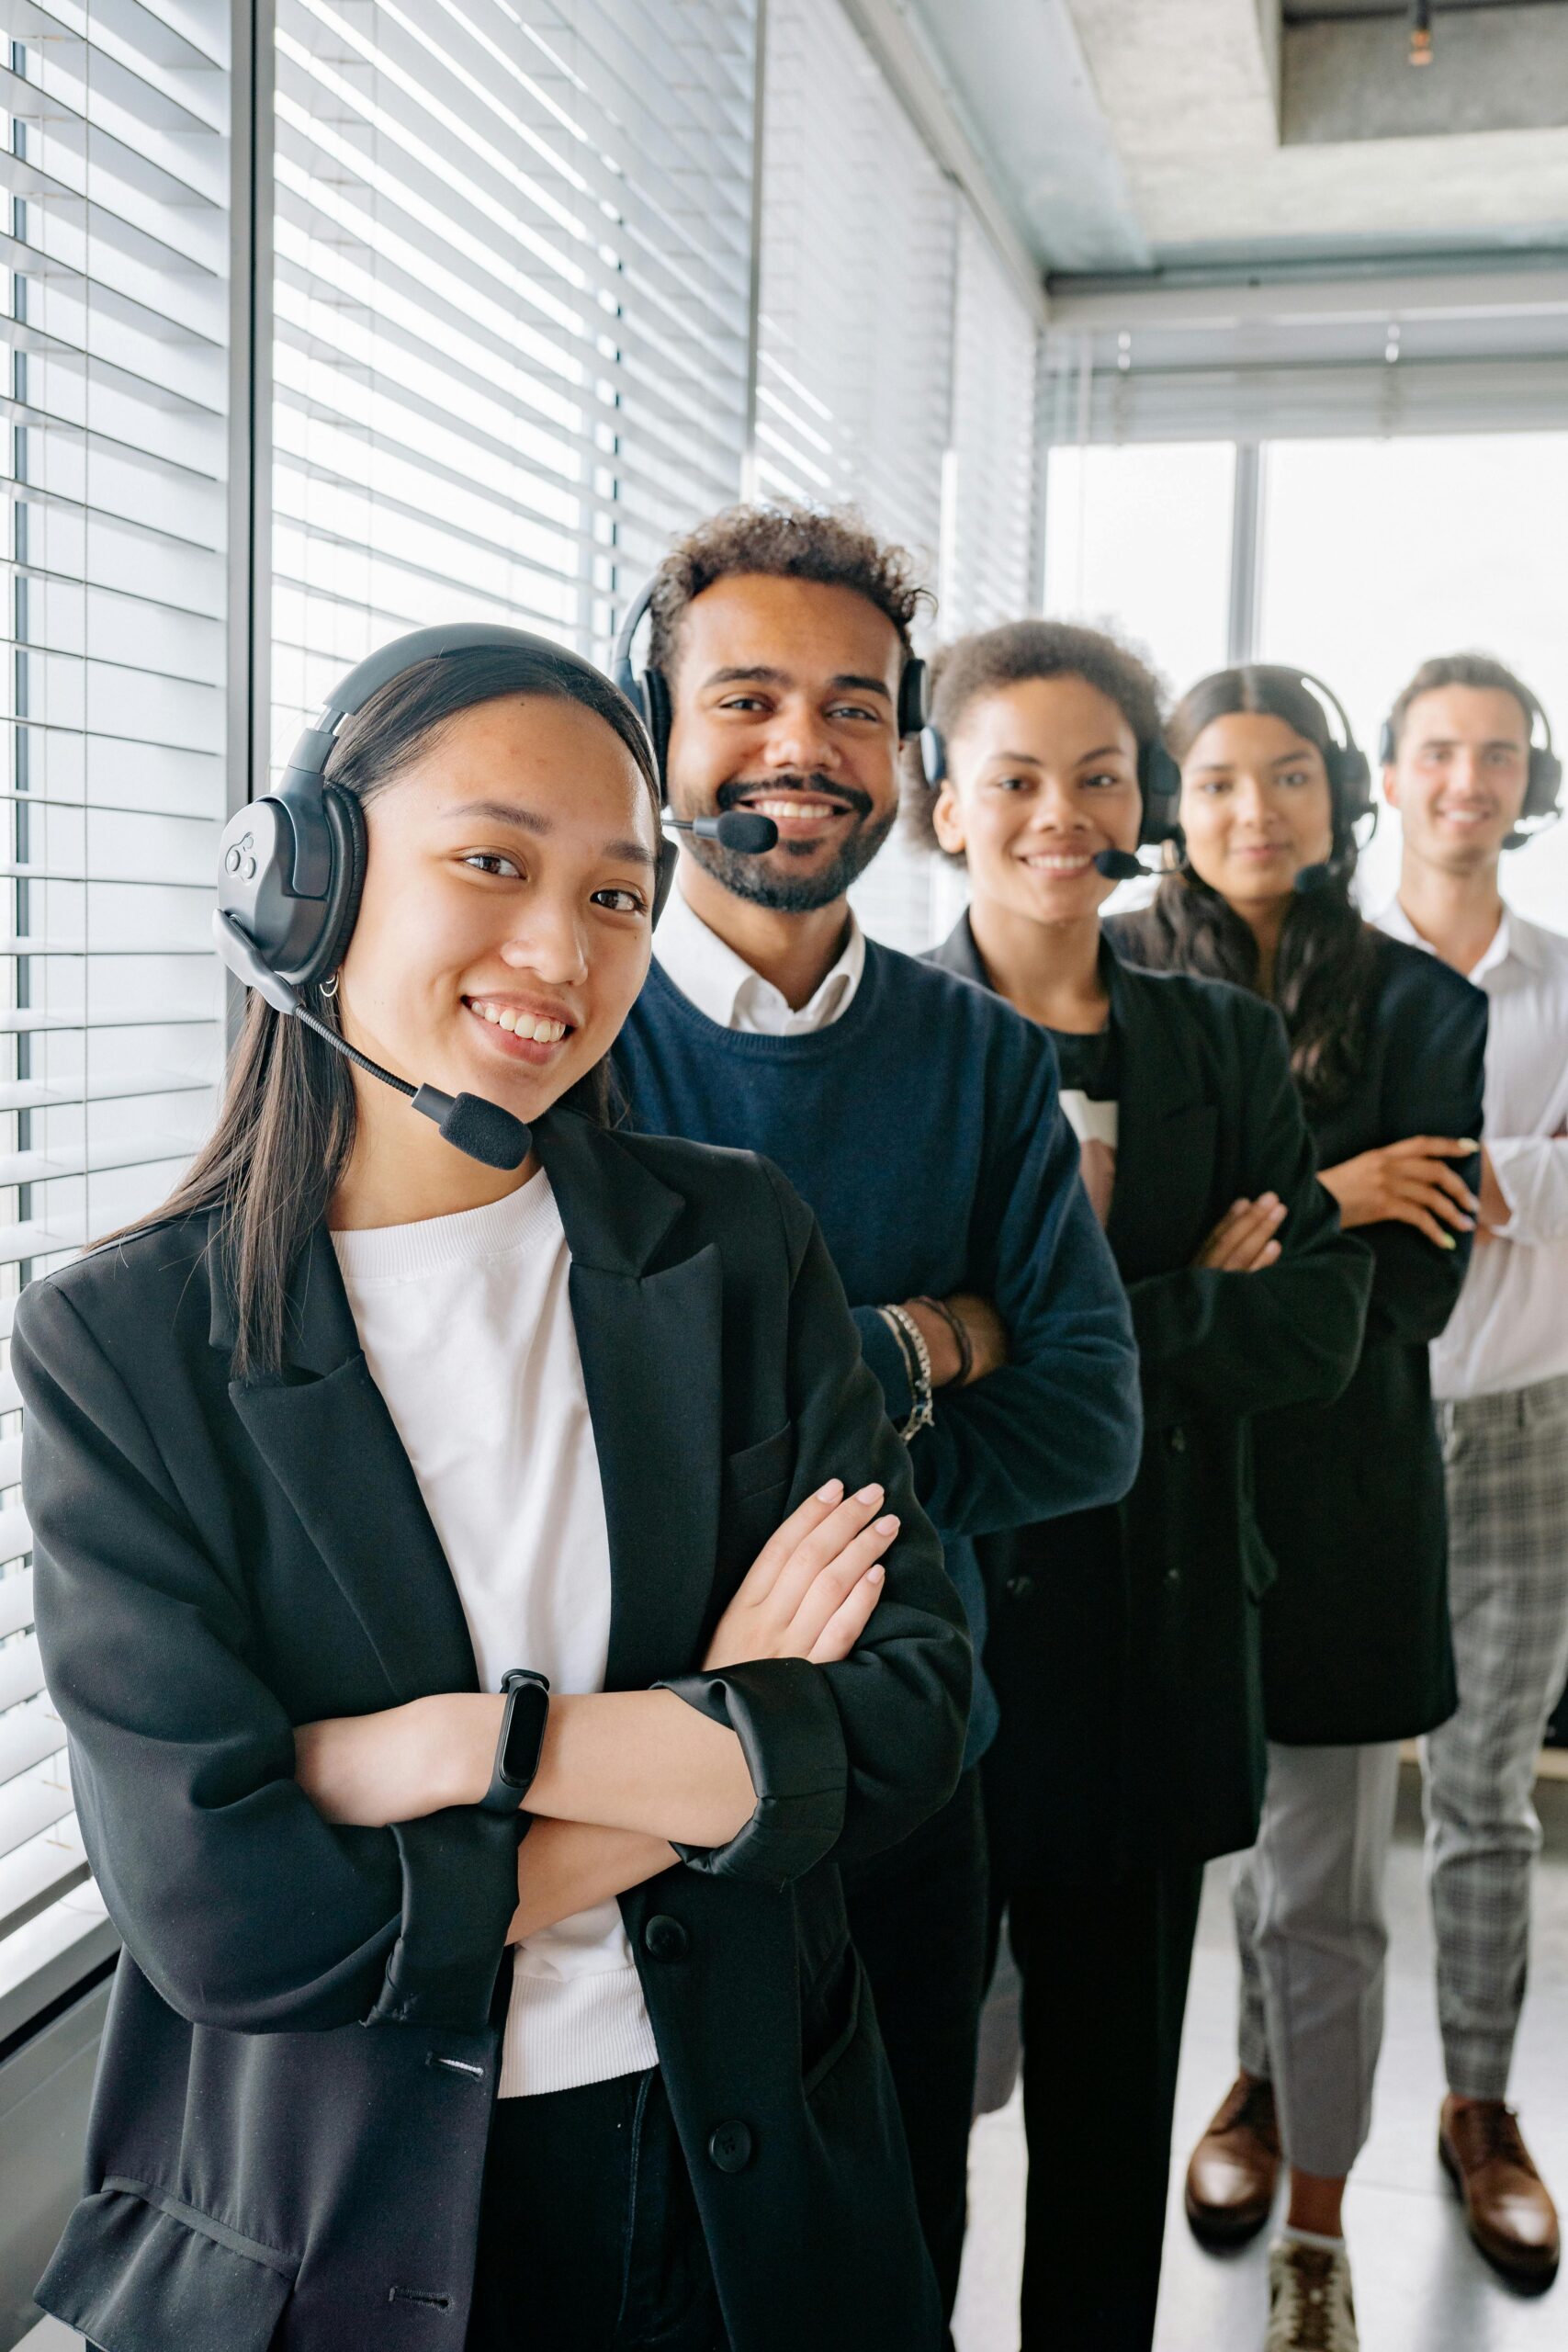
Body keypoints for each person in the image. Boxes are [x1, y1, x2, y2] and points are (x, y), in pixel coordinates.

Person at [17, 629, 974, 2352]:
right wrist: (724, 1732)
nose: (563, 946)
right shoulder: (124, 1345)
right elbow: (230, 1917)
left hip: (737, 2191)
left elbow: (910, 1709)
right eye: (492, 862)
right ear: (307, 887)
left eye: (618, 896)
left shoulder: (734, 1243)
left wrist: (462, 1748)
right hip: (347, 2230)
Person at [609, 504, 1143, 2325]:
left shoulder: (979, 1053)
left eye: (851, 707)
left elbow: (1084, 1419)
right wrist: (925, 1340)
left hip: (905, 1776)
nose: (800, 746)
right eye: (743, 695)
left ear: (903, 755)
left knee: (893, 2243)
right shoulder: (556, 1036)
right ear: (655, 734)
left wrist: (784, 1426)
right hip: (618, 1770)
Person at [908, 619, 1371, 2352]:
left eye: (1098, 775)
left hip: (1159, 1654)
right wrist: (1185, 1302)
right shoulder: (889, 1042)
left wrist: (1039, 1333)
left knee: (1108, 2147)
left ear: (1143, 805)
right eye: (1014, 777)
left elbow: (1316, 1332)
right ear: (943, 806)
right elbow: (864, 1376)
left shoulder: (1221, 1042)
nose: (1058, 810)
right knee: (910, 2141)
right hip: (933, 1667)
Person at [1111, 665, 1487, 2352]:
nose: (1251, 811)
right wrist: (1334, 1189)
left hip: (1346, 1511)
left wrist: (1238, 1260)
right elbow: (1098, 1290)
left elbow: (1404, 1303)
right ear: (1169, 806)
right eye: (1211, 782)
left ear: (1340, 796)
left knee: (1326, 1892)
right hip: (1145, 1508)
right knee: (1116, 1898)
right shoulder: (1108, 981)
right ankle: (1209, 2125)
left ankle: (1319, 2236)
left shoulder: (1423, 1004)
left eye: (1284, 779)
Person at [1374, 652, 1568, 2291]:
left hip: (1522, 1433)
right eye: (1440, 751)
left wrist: (1443, 1177)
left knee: (1485, 1794)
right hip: (1341, 1428)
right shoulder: (1327, 976)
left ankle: (1483, 2106)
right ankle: (1271, 2082)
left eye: (1498, 755)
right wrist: (1532, 1175)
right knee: (1311, 1795)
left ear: (1531, 782)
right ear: (1389, 774)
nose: (1468, 780)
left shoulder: (1564, 984)